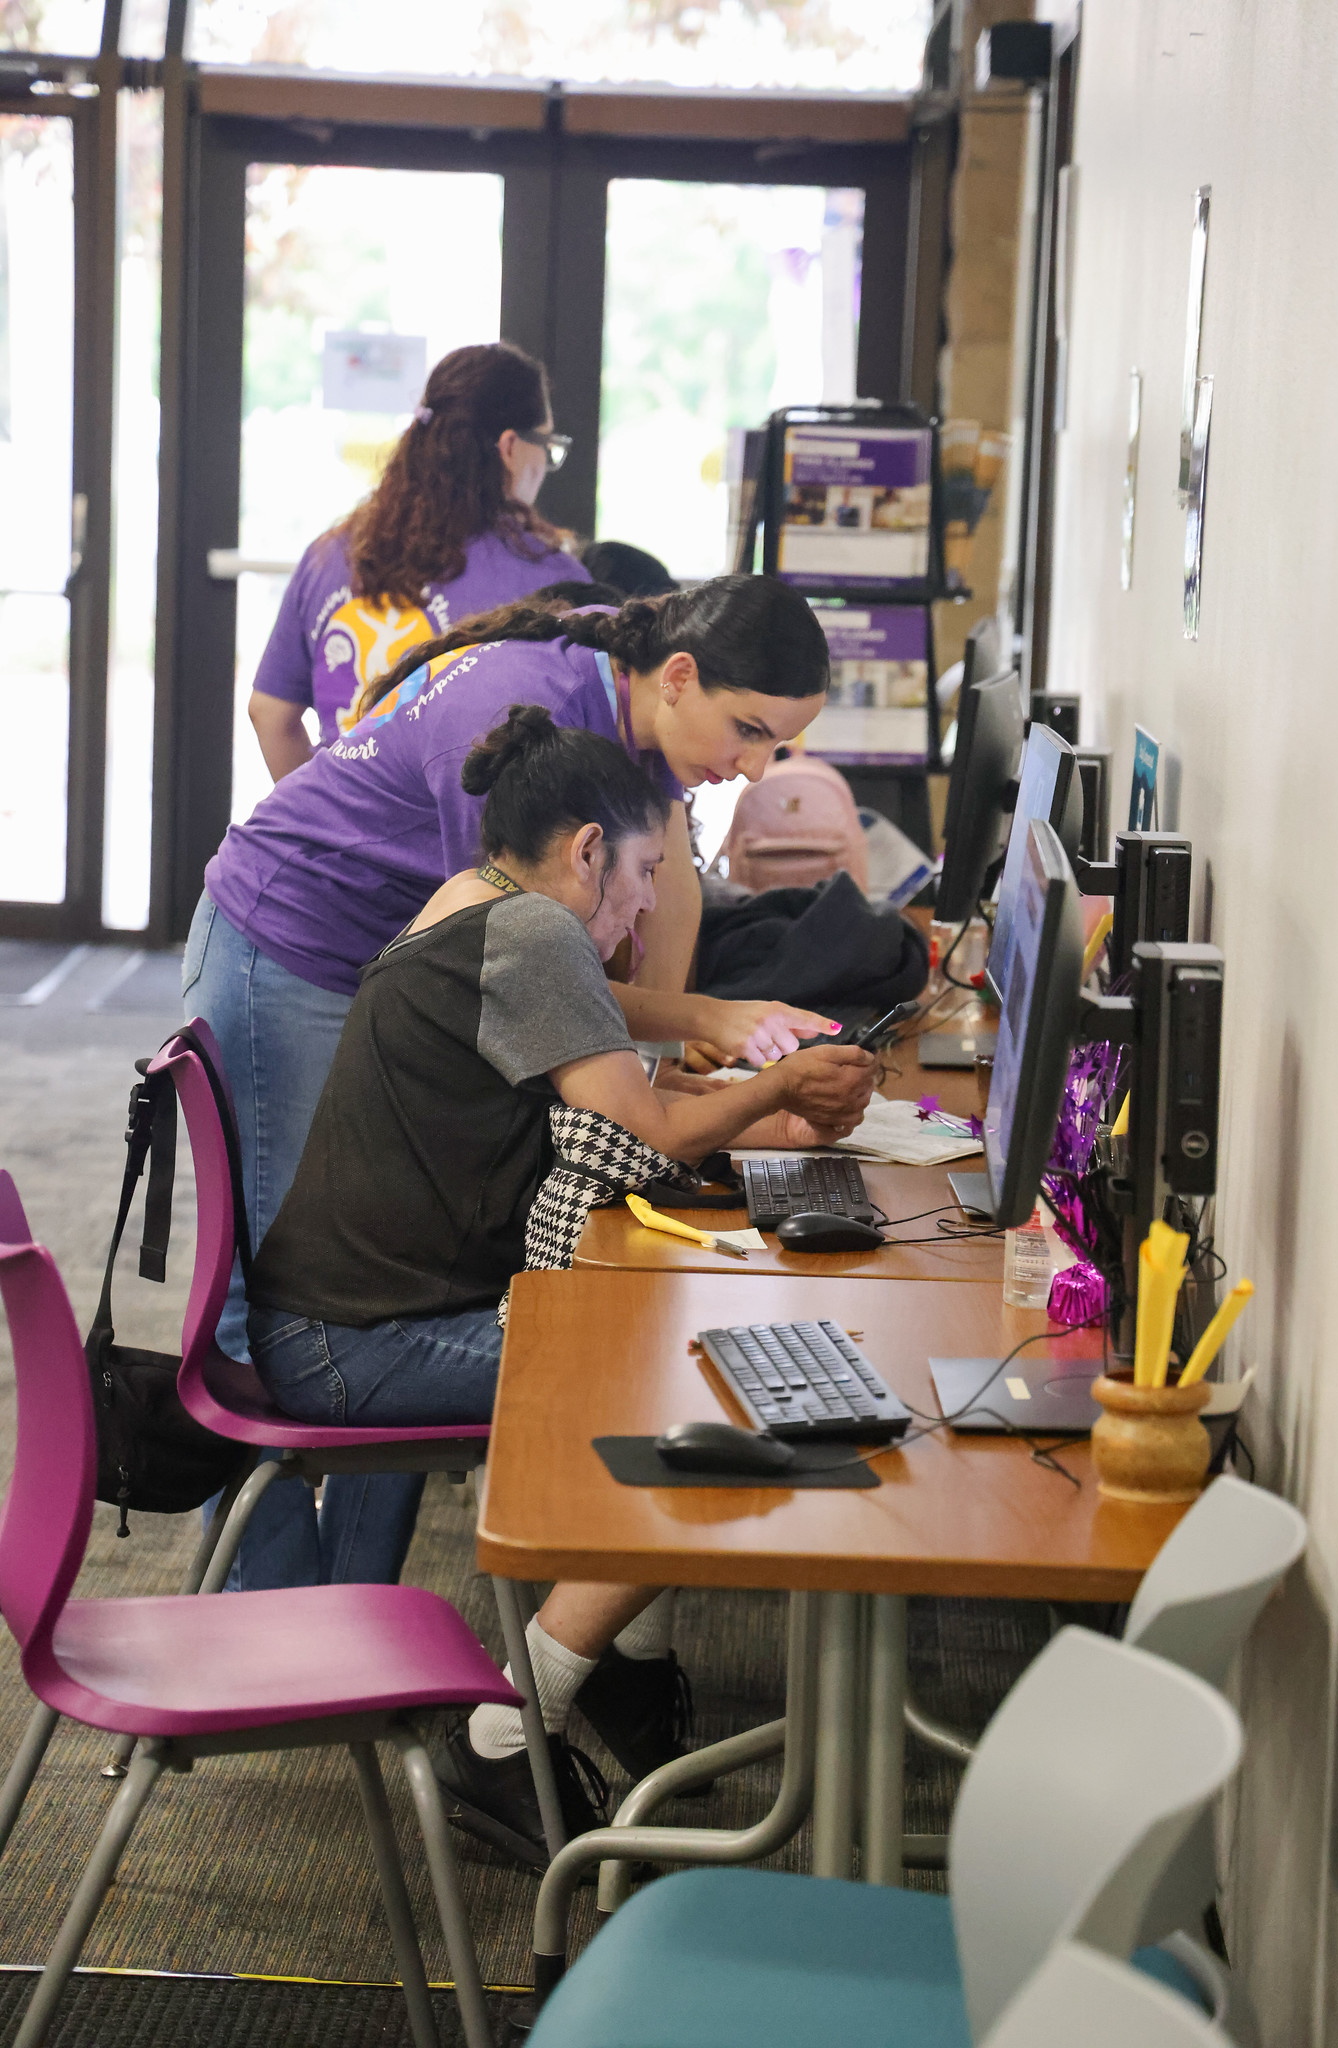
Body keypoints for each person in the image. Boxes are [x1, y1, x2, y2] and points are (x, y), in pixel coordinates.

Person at [245, 706, 876, 1866]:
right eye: (641, 873)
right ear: (586, 849)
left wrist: (753, 1105)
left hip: (347, 1312)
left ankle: (625, 1671)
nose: (643, 908)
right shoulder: (535, 931)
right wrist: (782, 1091)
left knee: (677, 1344)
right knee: (706, 1418)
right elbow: (640, 1124)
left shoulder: (478, 900)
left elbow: (635, 1107)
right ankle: (507, 1726)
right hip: (358, 1341)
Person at [185, 575, 842, 1589]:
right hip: (289, 935)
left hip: (385, 955)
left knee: (402, 1281)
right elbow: (531, 964)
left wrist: (692, 1053)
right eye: (750, 730)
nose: (753, 766)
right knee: (270, 1306)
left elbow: (608, 962)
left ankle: (354, 1610)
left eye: (776, 747)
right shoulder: (519, 728)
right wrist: (723, 1064)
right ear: (676, 678)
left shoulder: (635, 748)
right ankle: (274, 1615)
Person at [246, 341, 590, 779]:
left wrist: (321, 815)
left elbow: (270, 714)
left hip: (339, 839)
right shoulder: (553, 580)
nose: (545, 463)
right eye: (546, 445)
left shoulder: (330, 554)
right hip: (464, 844)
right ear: (509, 446)